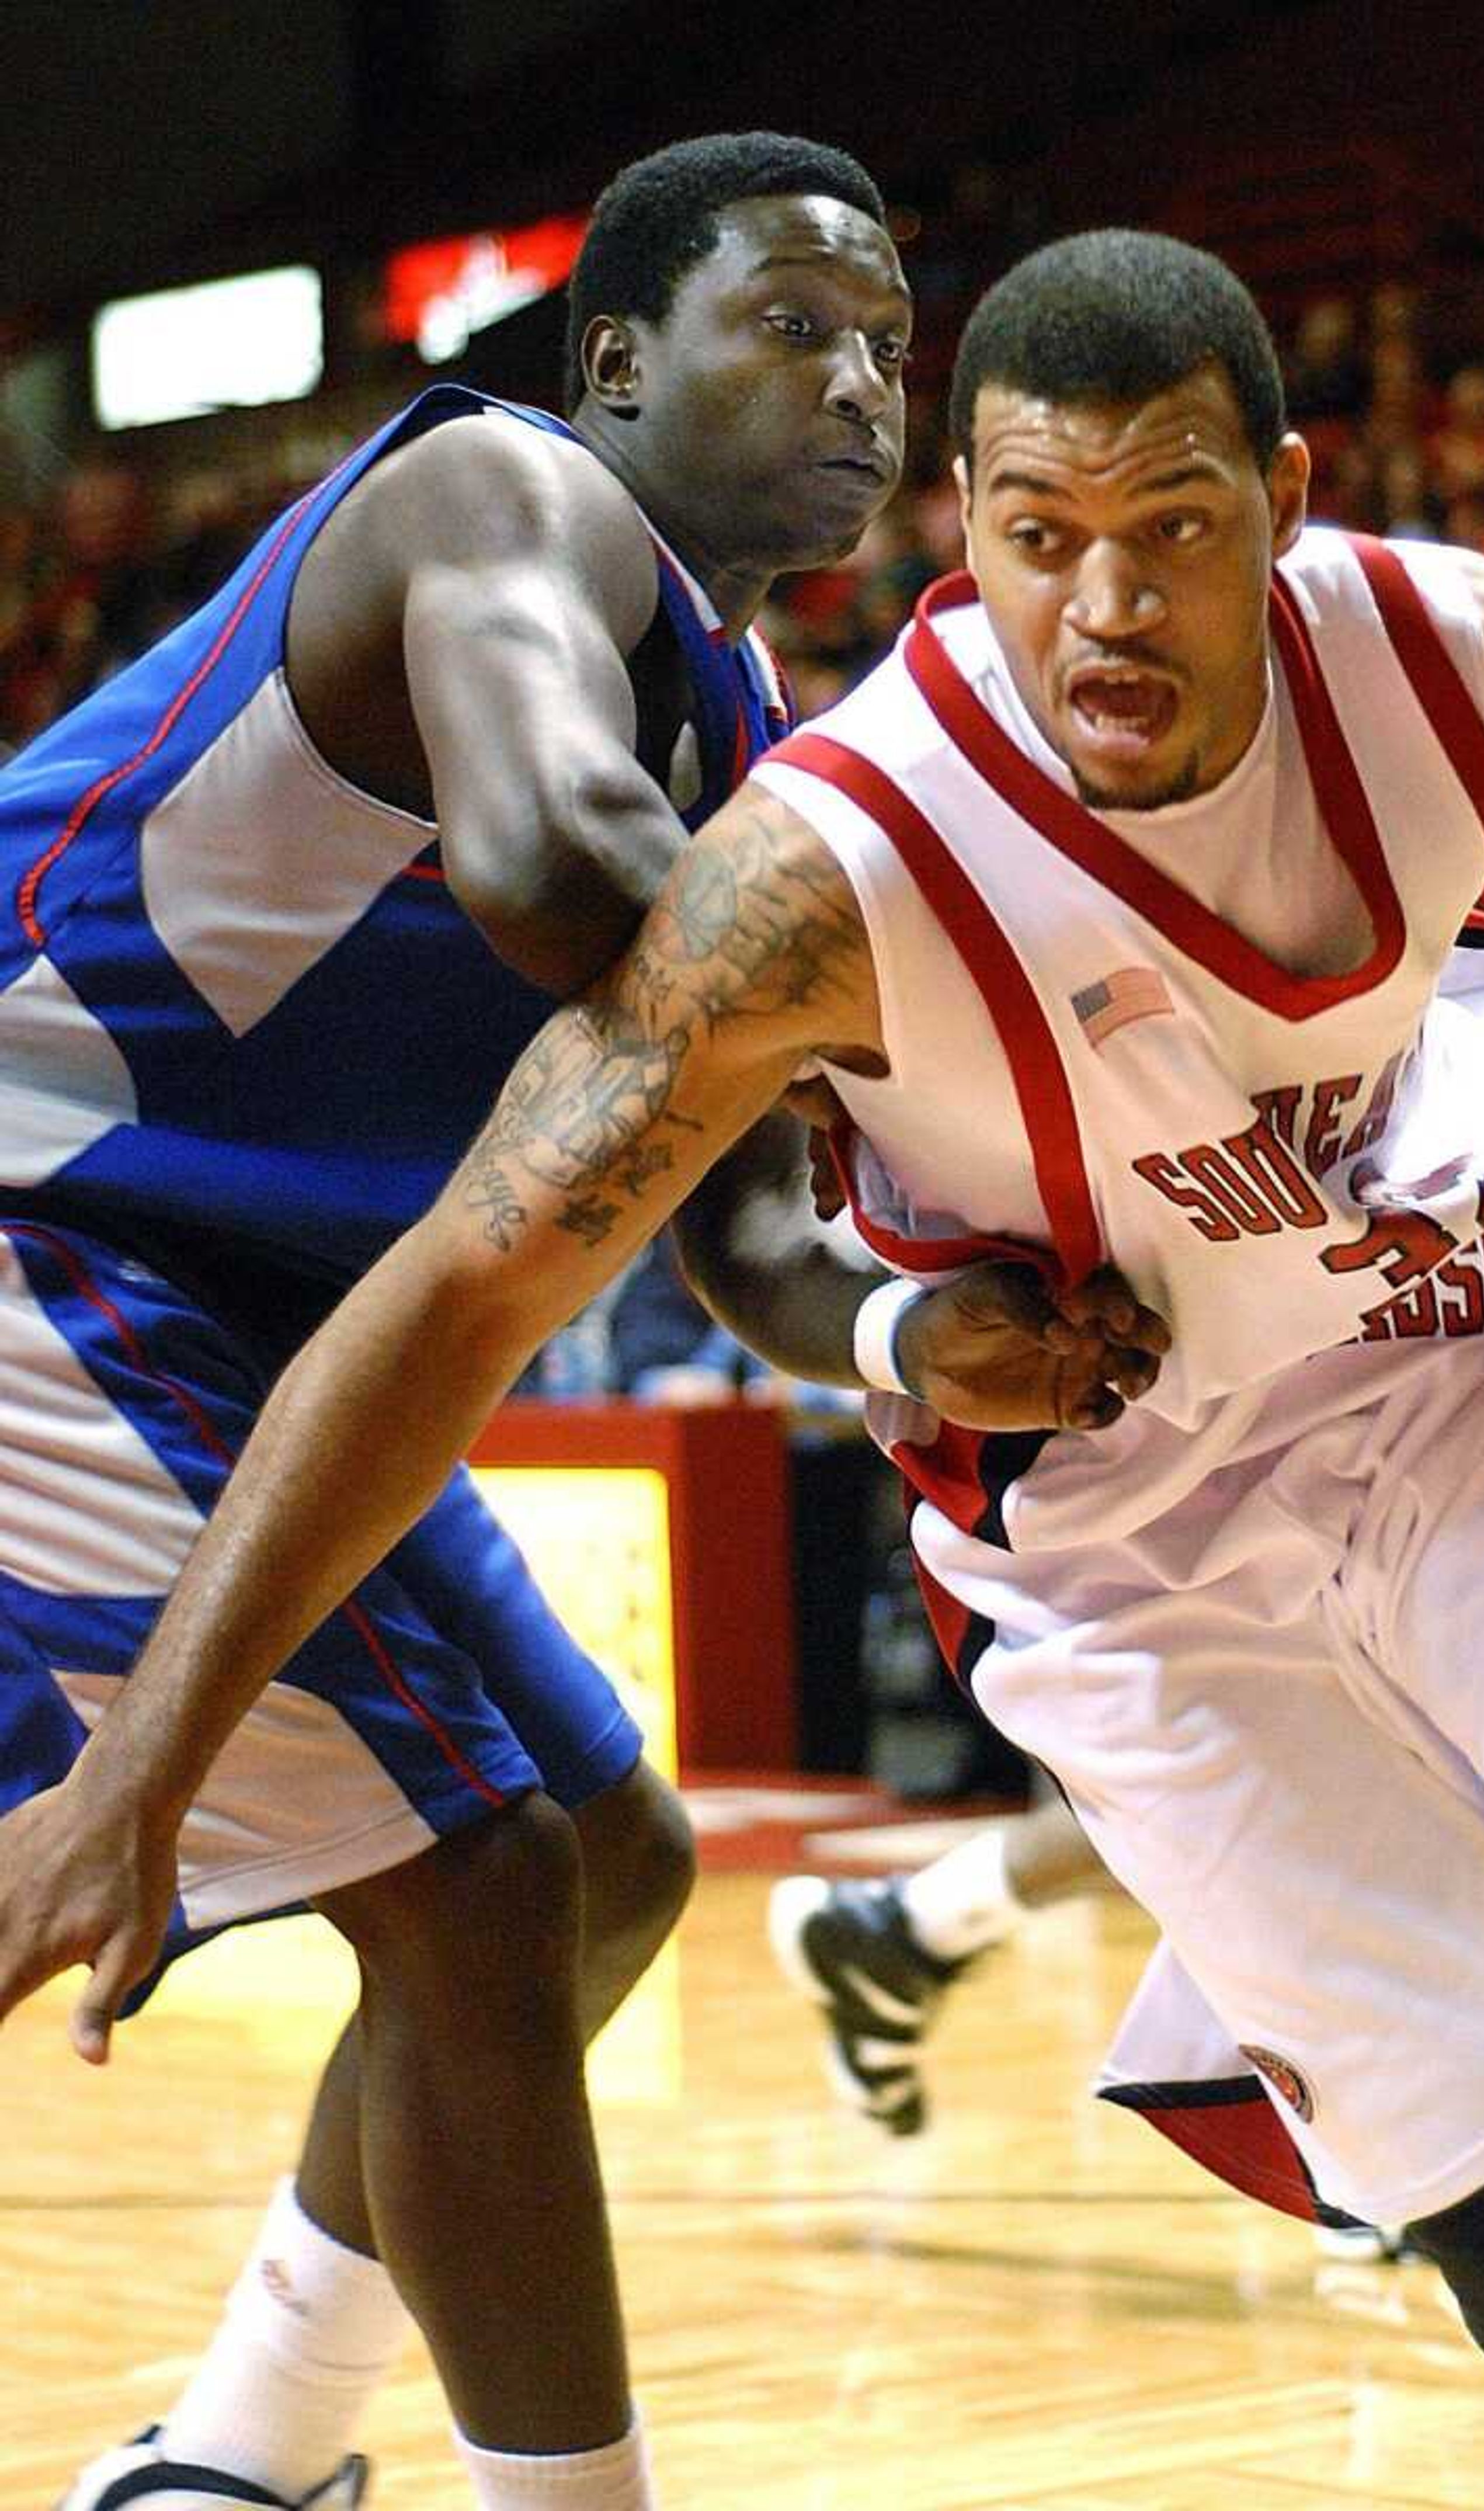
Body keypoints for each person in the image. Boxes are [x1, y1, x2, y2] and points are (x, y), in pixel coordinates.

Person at [4, 228, 1484, 2511]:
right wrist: (145, 1757)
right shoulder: (818, 870)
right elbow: (456, 1301)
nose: (1107, 606)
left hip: (1470, 1366)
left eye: (1174, 529)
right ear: (969, 526)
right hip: (1137, 1536)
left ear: (1278, 494)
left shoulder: (1458, 665)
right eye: (1044, 538)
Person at [5, 140, 1161, 2511]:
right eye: (790, 326)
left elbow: (739, 1238)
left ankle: (242, 2453)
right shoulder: (505, 504)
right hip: (50, 1223)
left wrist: (922, 1343)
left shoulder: (739, 721)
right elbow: (547, 867)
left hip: (247, 1325)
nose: (856, 383)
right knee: (491, 1879)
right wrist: (982, 1026)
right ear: (615, 358)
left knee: (603, 1857)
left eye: (887, 351)